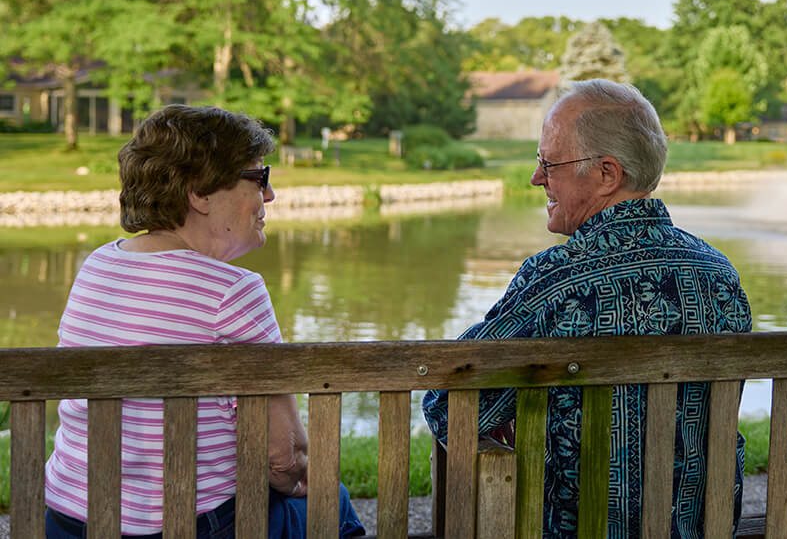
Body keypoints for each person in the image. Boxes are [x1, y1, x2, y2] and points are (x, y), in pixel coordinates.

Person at [422, 80, 751, 538]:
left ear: (607, 174)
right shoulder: (721, 278)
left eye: (548, 163)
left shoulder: (554, 280)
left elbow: (450, 406)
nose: (537, 178)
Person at [44, 105, 365, 539]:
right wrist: (307, 482)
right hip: (191, 526)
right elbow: (285, 460)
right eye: (258, 177)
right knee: (334, 500)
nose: (269, 195)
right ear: (199, 192)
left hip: (69, 520)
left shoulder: (98, 265)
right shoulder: (233, 291)